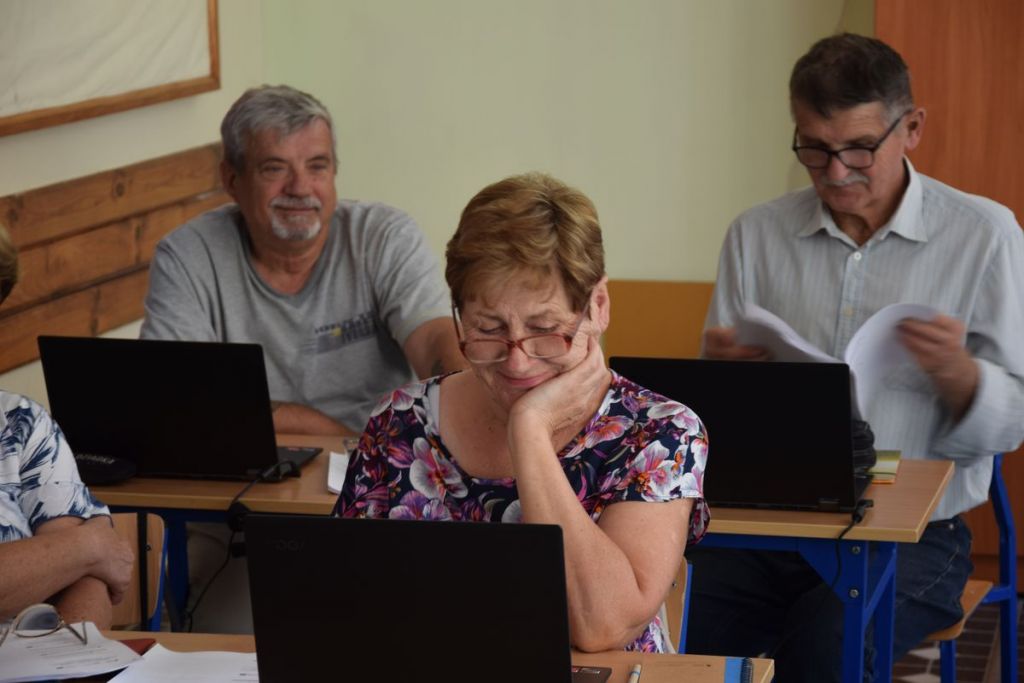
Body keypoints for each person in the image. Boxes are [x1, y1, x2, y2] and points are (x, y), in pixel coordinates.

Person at [686, 33, 1024, 681]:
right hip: (773, 524)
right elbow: (704, 423)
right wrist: (724, 382)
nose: (837, 173)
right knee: (663, 613)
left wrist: (961, 376)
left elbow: (1014, 420)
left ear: (912, 128)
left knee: (829, 639)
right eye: (814, 148)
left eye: (860, 148)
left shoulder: (984, 235)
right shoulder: (756, 234)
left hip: (921, 536)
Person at [335, 172, 709, 653]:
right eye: (488, 329)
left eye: (545, 328)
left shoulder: (661, 433)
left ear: (597, 305)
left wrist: (529, 431)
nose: (517, 362)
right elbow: (338, 596)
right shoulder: (400, 421)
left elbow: (602, 627)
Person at [141, 85, 464, 436]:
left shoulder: (383, 236)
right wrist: (326, 431)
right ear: (232, 180)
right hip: (249, 454)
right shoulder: (187, 256)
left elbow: (434, 339)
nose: (299, 187)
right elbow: (174, 393)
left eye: (317, 166)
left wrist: (464, 412)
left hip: (381, 454)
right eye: (274, 169)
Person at [0, 224, 134, 629]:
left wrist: (68, 661)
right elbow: (93, 553)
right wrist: (88, 545)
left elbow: (89, 579)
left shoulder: (21, 422)